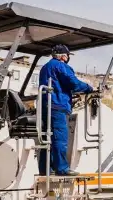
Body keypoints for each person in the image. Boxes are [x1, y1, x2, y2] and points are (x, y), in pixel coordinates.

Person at [37, 44, 94, 176]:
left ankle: (45, 169)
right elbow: (73, 83)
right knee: (60, 139)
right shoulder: (61, 66)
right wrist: (88, 88)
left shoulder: (45, 68)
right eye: (68, 55)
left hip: (46, 106)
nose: (68, 58)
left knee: (47, 139)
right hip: (58, 106)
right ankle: (62, 168)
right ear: (63, 56)